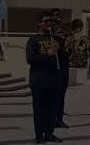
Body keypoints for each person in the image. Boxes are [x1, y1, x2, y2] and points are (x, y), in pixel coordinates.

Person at [26, 12, 62, 143]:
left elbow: (62, 60)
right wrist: (48, 54)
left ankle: (49, 133)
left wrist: (62, 50)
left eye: (50, 22)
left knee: (51, 109)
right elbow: (30, 59)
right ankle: (39, 136)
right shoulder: (33, 40)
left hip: (53, 79)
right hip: (38, 80)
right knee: (39, 109)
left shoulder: (54, 38)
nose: (48, 24)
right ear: (38, 24)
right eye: (45, 21)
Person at [53, 24, 71, 128]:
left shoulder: (64, 45)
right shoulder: (54, 43)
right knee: (56, 98)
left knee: (62, 98)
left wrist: (68, 47)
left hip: (64, 73)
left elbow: (67, 58)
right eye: (60, 33)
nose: (62, 35)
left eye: (63, 32)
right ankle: (53, 120)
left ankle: (59, 120)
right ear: (55, 34)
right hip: (56, 74)